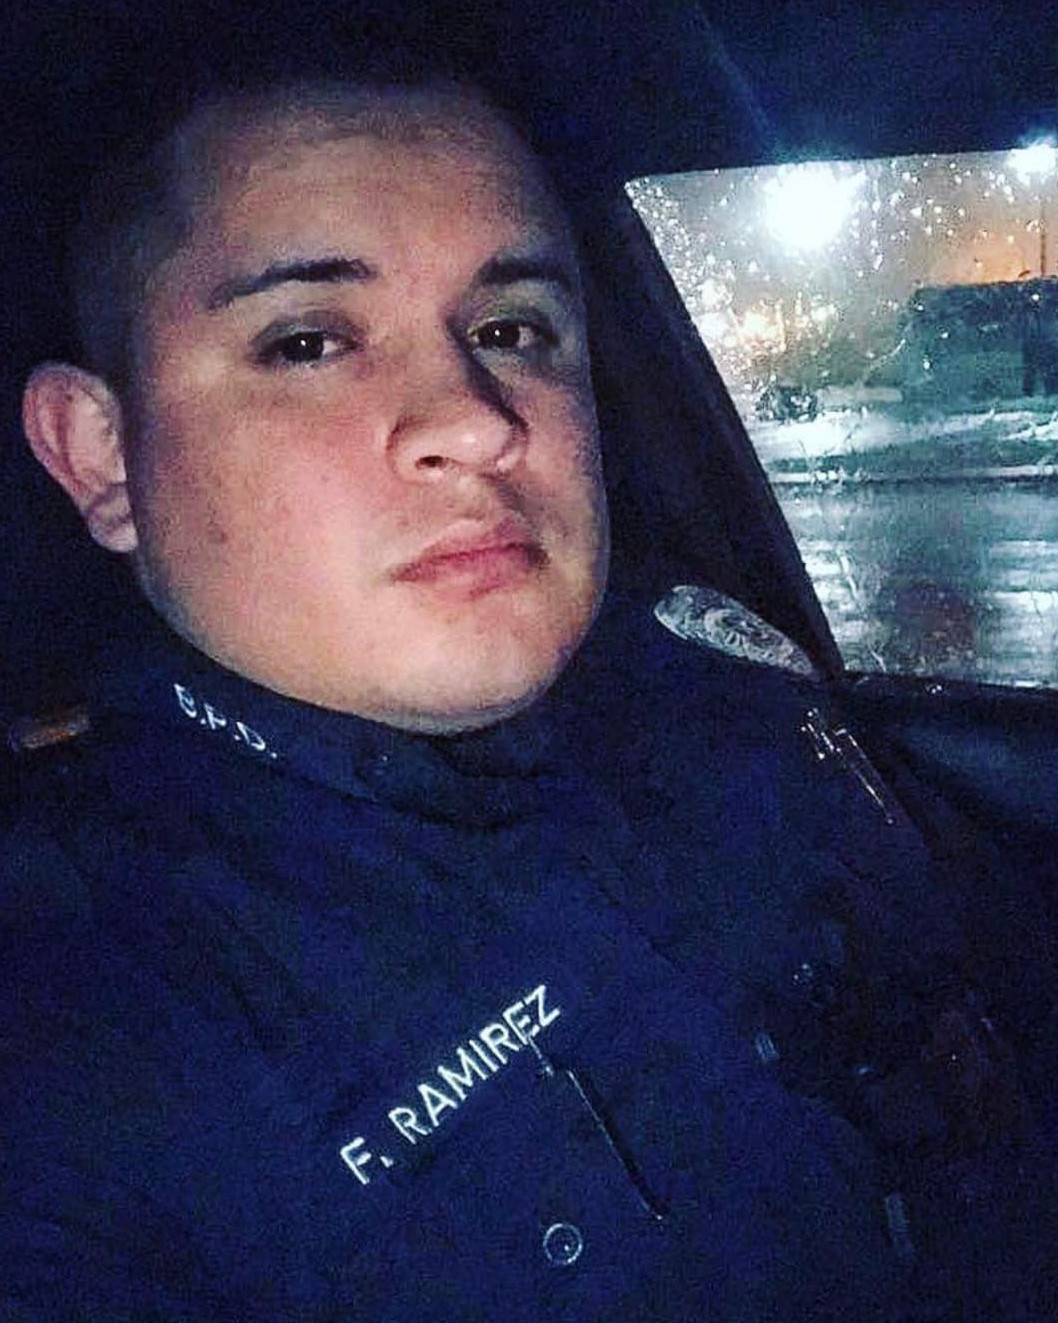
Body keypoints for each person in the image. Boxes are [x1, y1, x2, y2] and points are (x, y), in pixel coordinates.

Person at [2, 68, 1053, 1320]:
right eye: (308, 343)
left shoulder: (710, 667)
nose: (476, 423)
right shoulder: (74, 1026)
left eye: (508, 330)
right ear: (102, 458)